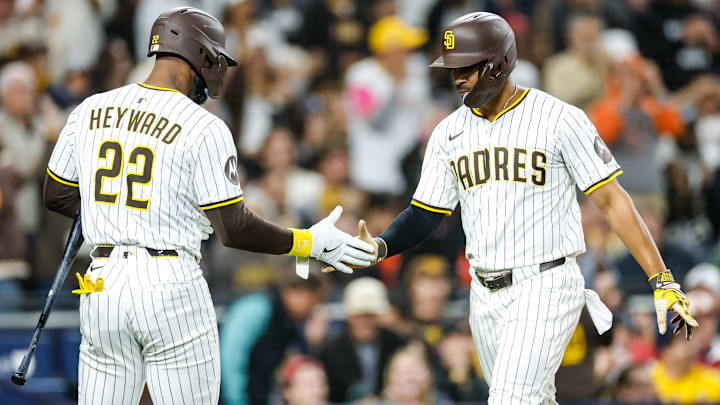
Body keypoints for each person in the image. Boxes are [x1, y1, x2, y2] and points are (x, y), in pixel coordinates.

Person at [326, 12, 698, 404]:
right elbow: (425, 213)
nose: (457, 79)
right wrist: (381, 245)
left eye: (467, 68)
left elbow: (611, 199)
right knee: (532, 399)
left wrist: (662, 279)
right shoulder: (448, 133)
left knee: (509, 399)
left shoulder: (559, 118)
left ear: (498, 63)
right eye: (453, 69)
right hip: (483, 291)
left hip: (545, 282)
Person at [42, 7, 375, 405]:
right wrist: (306, 242)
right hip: (170, 280)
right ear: (200, 56)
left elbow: (56, 195)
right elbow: (232, 228)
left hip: (102, 281)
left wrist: (117, 216)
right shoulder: (203, 125)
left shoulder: (90, 109)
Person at [219, 273, 326, 405]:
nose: (313, 309)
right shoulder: (257, 307)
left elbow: (297, 368)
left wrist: (312, 342)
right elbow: (231, 358)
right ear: (297, 292)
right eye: (313, 301)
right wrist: (236, 401)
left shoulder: (288, 321)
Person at [318, 277, 405, 403]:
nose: (365, 322)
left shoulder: (396, 344)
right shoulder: (331, 350)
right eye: (359, 316)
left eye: (370, 315)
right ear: (349, 317)